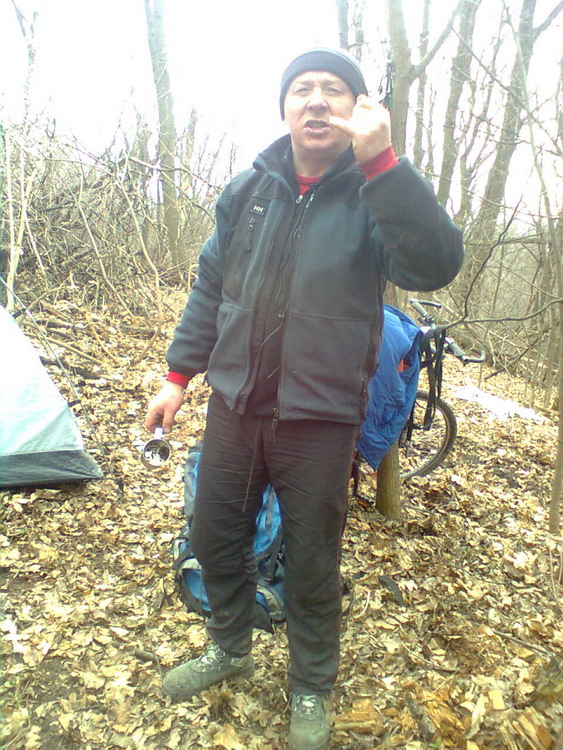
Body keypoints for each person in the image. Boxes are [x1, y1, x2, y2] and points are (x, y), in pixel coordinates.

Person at [145, 48, 463, 750]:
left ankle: (311, 687)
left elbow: (434, 265)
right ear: (284, 108)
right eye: (302, 89)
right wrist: (177, 376)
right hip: (235, 406)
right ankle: (229, 645)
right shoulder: (248, 191)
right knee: (215, 537)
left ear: (356, 110)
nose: (316, 100)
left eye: (333, 90)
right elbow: (210, 287)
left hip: (319, 419)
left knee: (313, 560)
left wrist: (386, 167)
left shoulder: (375, 193)